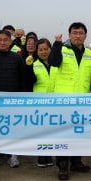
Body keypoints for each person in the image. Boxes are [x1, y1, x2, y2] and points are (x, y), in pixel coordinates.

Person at [48, 22, 91, 180]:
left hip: (83, 100)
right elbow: (53, 62)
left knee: (79, 133)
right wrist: (56, 44)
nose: (78, 35)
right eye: (75, 33)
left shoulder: (90, 54)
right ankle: (63, 166)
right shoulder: (61, 49)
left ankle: (77, 162)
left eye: (81, 33)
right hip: (64, 101)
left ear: (85, 36)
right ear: (69, 35)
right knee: (63, 134)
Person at [0, 29, 28, 170]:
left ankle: (12, 154)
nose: (2, 42)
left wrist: (21, 98)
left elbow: (22, 79)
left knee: (12, 127)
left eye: (5, 40)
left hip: (12, 99)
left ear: (10, 41)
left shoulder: (17, 58)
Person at [27, 37, 56, 167]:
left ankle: (50, 154)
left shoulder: (57, 64)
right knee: (41, 130)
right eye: (41, 49)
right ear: (36, 51)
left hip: (55, 101)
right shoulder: (33, 64)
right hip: (40, 101)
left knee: (52, 129)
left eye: (46, 49)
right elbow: (29, 81)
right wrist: (27, 67)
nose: (43, 52)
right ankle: (42, 155)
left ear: (50, 49)